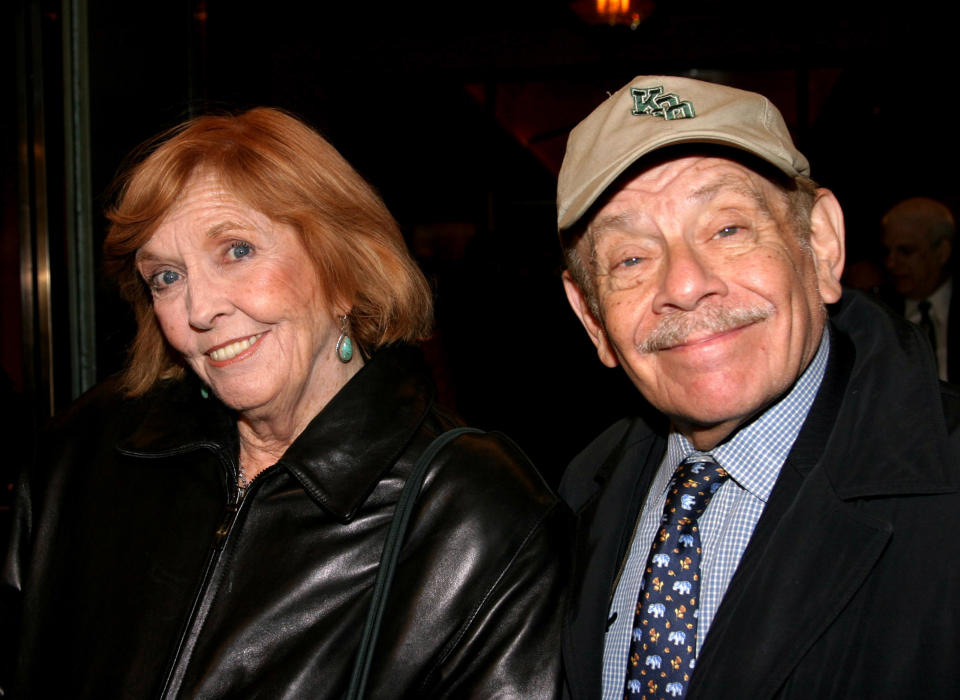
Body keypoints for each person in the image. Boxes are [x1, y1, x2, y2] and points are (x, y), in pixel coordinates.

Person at [2, 107, 570, 698]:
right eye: (167, 276)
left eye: (237, 250)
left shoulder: (474, 512)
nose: (199, 310)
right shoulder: (84, 453)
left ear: (342, 269)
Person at [556, 76, 960, 699]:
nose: (685, 285)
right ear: (592, 319)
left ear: (821, 246)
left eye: (727, 229)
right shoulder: (578, 498)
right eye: (631, 259)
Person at [882, 196, 957, 381]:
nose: (891, 263)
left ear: (941, 252)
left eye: (905, 251)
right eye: (887, 251)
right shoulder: (880, 313)